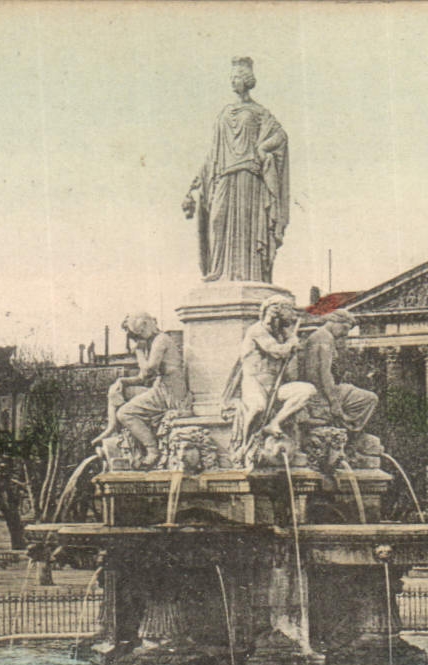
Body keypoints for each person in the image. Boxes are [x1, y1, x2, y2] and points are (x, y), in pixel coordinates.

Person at [182, 56, 289, 284]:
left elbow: (280, 136)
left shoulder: (259, 113)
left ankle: (250, 274)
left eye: (238, 77)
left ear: (248, 80)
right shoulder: (224, 113)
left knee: (247, 228)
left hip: (249, 178)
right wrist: (193, 185)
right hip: (223, 178)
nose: (233, 82)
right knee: (217, 221)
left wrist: (262, 147)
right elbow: (213, 154)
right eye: (232, 78)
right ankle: (219, 272)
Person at [93, 313, 192, 468]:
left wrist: (139, 351)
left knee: (125, 413)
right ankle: (111, 428)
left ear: (145, 325)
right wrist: (122, 381)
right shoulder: (156, 341)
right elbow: (143, 377)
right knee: (116, 389)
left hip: (170, 392)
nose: (139, 338)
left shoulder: (161, 340)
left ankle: (152, 450)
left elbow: (148, 371)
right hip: (161, 388)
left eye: (138, 334)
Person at [220, 297, 315, 458]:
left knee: (307, 391)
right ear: (276, 311)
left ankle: (275, 422)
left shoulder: (283, 333)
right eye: (289, 310)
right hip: (254, 384)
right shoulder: (257, 330)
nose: (293, 315)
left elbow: (290, 370)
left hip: (274, 387)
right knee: (258, 408)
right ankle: (243, 446)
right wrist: (292, 342)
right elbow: (277, 351)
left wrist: (292, 346)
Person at [295, 309, 378, 435]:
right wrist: (334, 402)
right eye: (344, 328)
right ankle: (344, 425)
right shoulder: (324, 337)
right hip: (321, 390)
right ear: (334, 321)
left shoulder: (321, 336)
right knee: (369, 398)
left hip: (322, 388)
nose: (345, 334)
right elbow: (324, 372)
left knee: (362, 395)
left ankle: (341, 424)